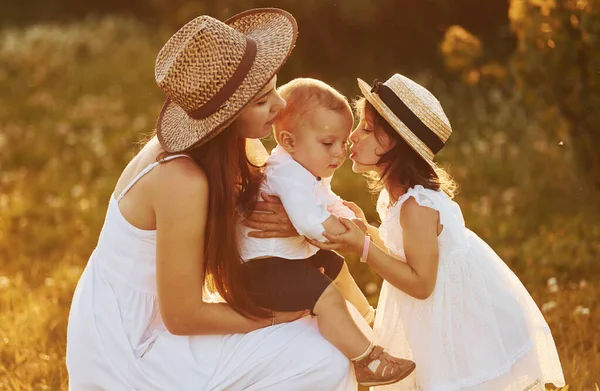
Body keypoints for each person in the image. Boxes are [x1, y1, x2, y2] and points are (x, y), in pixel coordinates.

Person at [66, 9, 358, 390]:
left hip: (162, 320)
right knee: (325, 355)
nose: (281, 107)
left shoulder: (234, 150)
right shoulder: (181, 178)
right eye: (261, 100)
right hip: (129, 346)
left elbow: (264, 216)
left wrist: (295, 223)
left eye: (274, 89)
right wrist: (272, 318)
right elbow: (182, 316)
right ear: (226, 117)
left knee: (330, 326)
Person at [310, 73, 566, 390]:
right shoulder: (398, 196)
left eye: (367, 129)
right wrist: (370, 234)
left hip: (455, 313)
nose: (352, 136)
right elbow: (405, 251)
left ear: (394, 144)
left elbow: (421, 284)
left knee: (453, 379)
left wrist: (363, 248)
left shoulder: (415, 205)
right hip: (438, 303)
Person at [239, 77, 416, 387]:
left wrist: (351, 220)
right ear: (290, 141)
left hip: (282, 259)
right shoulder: (287, 173)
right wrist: (346, 232)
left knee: (334, 265)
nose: (339, 152)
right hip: (263, 270)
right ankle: (366, 360)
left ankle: (366, 319)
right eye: (328, 143)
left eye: (343, 142)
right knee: (328, 297)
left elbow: (328, 202)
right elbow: (311, 222)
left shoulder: (306, 167)